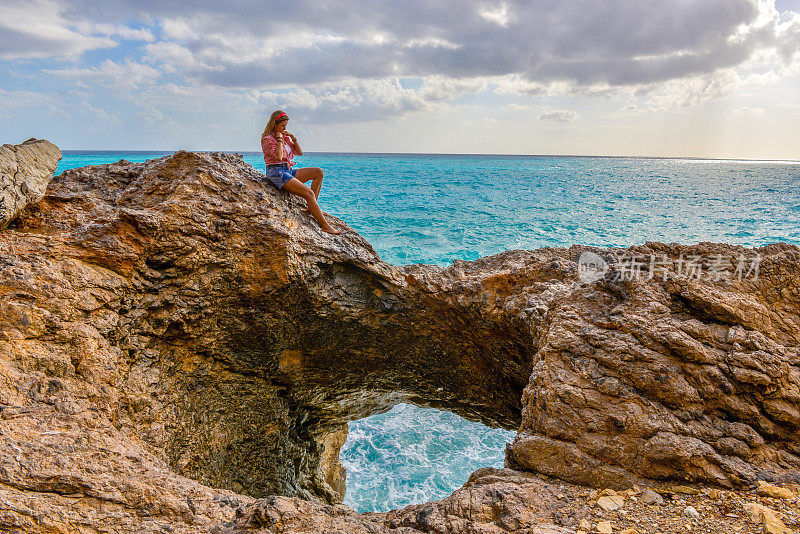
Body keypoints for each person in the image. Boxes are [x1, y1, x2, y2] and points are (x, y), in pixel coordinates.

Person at [261, 110, 341, 234]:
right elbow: (278, 156)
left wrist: (293, 138)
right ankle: (325, 225)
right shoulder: (267, 139)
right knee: (308, 193)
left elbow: (299, 153)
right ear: (275, 124)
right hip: (276, 172)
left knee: (318, 172)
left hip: (287, 170)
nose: (285, 128)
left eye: (286, 125)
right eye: (282, 125)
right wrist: (279, 139)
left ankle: (311, 208)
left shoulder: (285, 137)